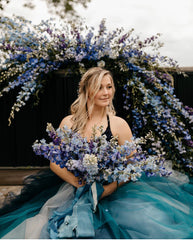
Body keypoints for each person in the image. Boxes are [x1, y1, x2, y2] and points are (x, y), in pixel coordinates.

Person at [0, 67, 193, 239]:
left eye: (109, 87)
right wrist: (77, 183)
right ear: (86, 91)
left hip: (113, 191)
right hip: (74, 187)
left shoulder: (118, 124)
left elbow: (133, 165)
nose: (106, 92)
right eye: (100, 87)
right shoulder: (69, 122)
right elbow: (54, 162)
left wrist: (111, 187)